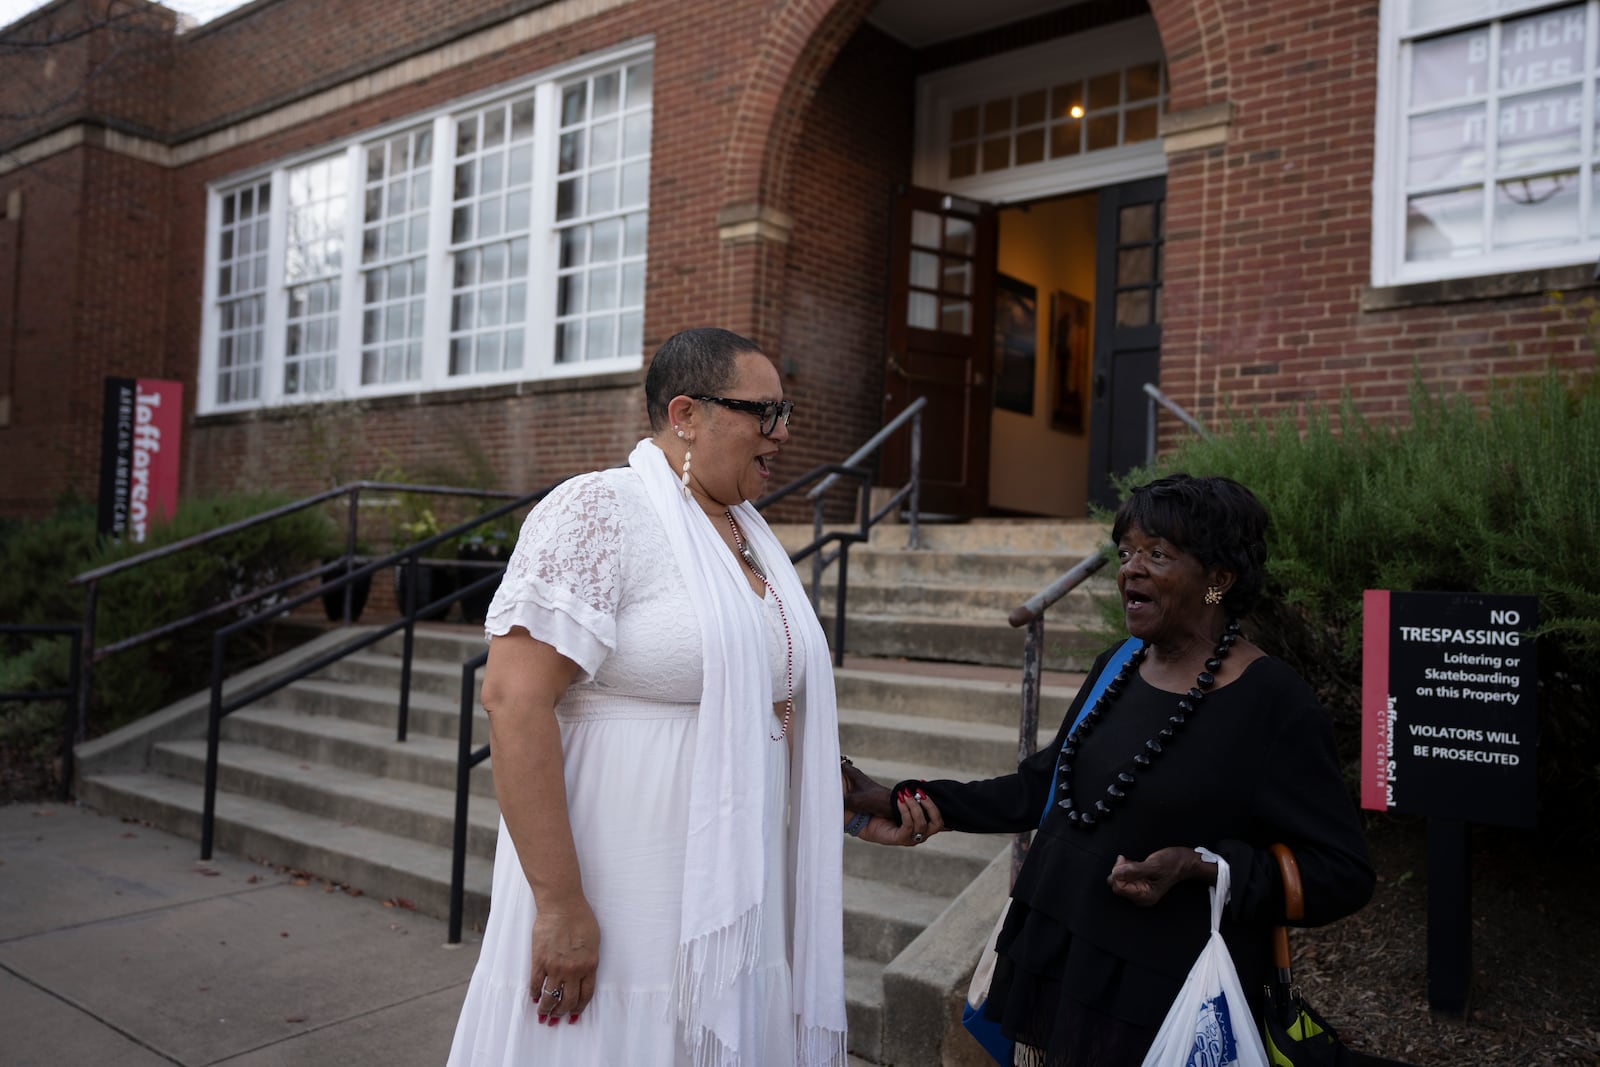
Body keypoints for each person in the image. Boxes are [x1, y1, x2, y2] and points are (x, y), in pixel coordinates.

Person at [844, 473, 1376, 1066]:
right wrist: (900, 799)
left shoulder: (1274, 702)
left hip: (1162, 1006)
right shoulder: (1118, 665)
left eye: (1158, 554)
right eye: (1125, 553)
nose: (1131, 569)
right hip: (1057, 971)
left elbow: (1343, 872)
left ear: (1218, 581)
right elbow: (1042, 789)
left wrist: (1203, 867)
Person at [447, 327, 863, 1066]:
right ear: (686, 414)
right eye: (763, 413)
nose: (783, 433)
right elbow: (513, 700)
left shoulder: (745, 533)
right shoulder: (600, 510)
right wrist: (560, 905)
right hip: (621, 886)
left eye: (786, 411)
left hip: (733, 892)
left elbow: (769, 698)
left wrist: (849, 798)